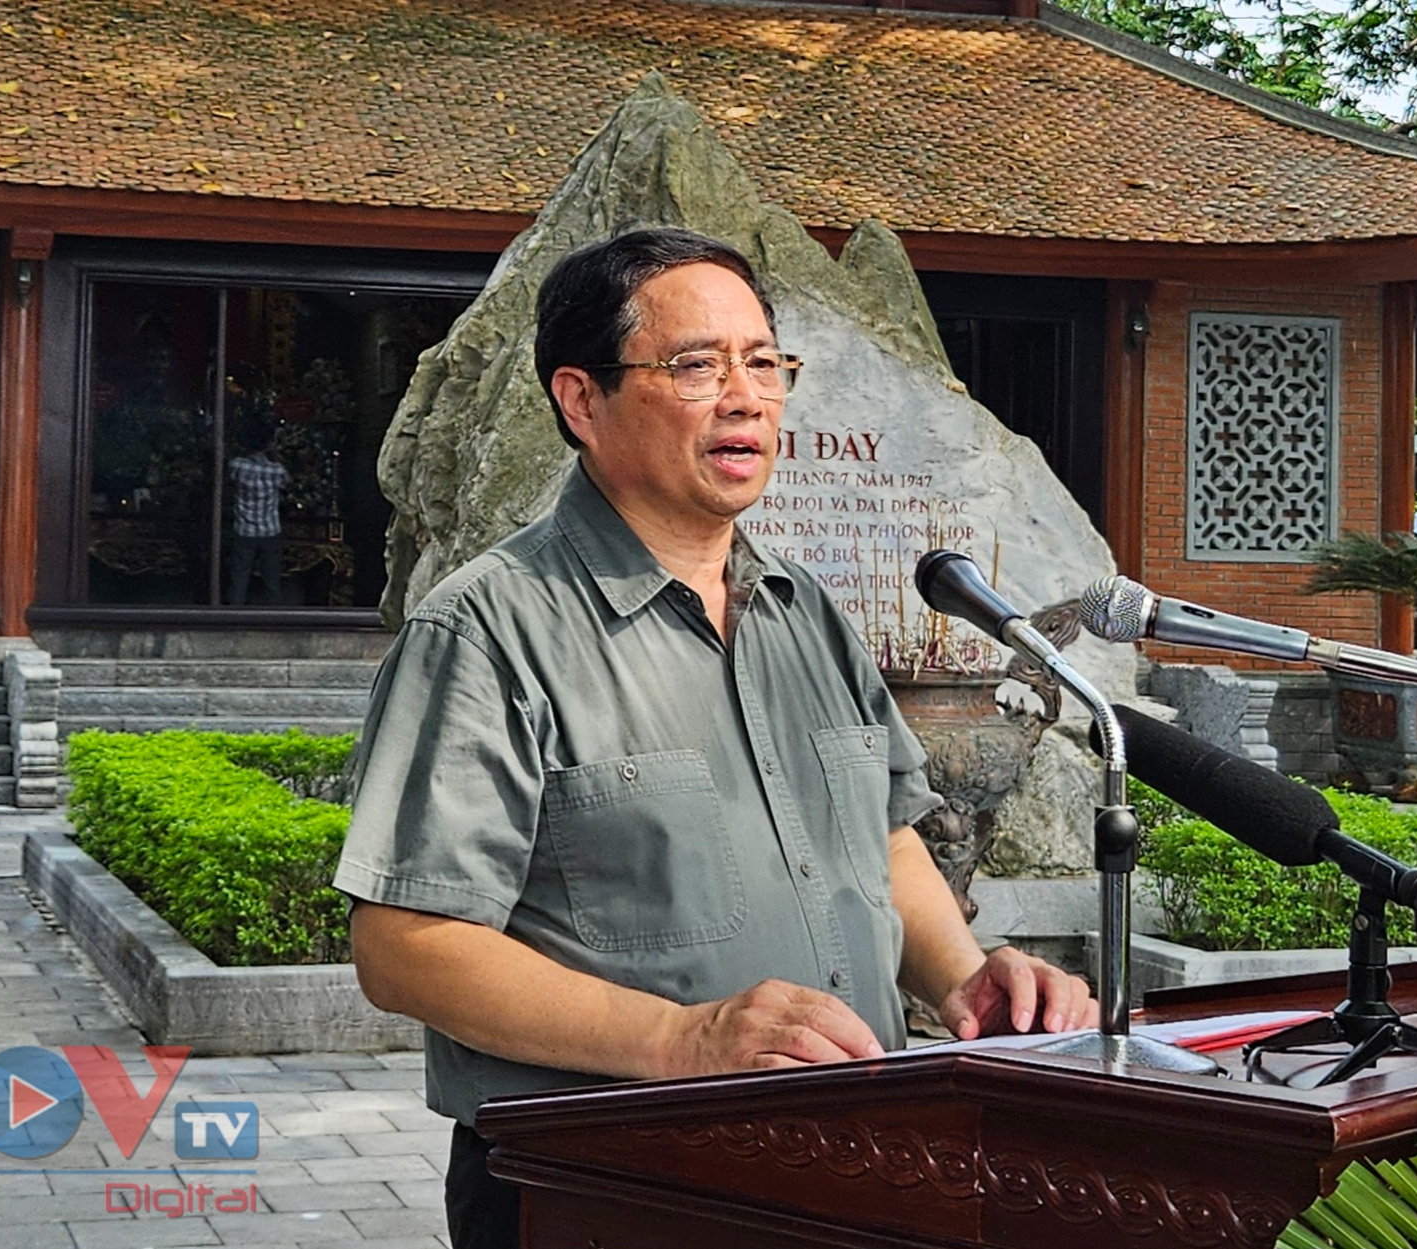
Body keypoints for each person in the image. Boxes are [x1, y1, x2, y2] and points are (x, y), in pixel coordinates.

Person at [333, 227, 1096, 1249]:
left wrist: (963, 978)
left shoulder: (805, 613)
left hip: (844, 1168)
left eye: (763, 363)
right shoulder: (487, 631)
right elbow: (406, 948)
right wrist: (682, 1038)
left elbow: (879, 838)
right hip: (605, 1193)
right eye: (696, 365)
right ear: (580, 400)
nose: (745, 397)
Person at [225, 420, 288, 604]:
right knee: (272, 581)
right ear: (270, 443)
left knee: (239, 579)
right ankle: (275, 618)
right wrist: (275, 454)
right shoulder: (276, 470)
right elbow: (288, 483)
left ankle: (233, 618)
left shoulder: (236, 466)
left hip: (244, 531)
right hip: (270, 531)